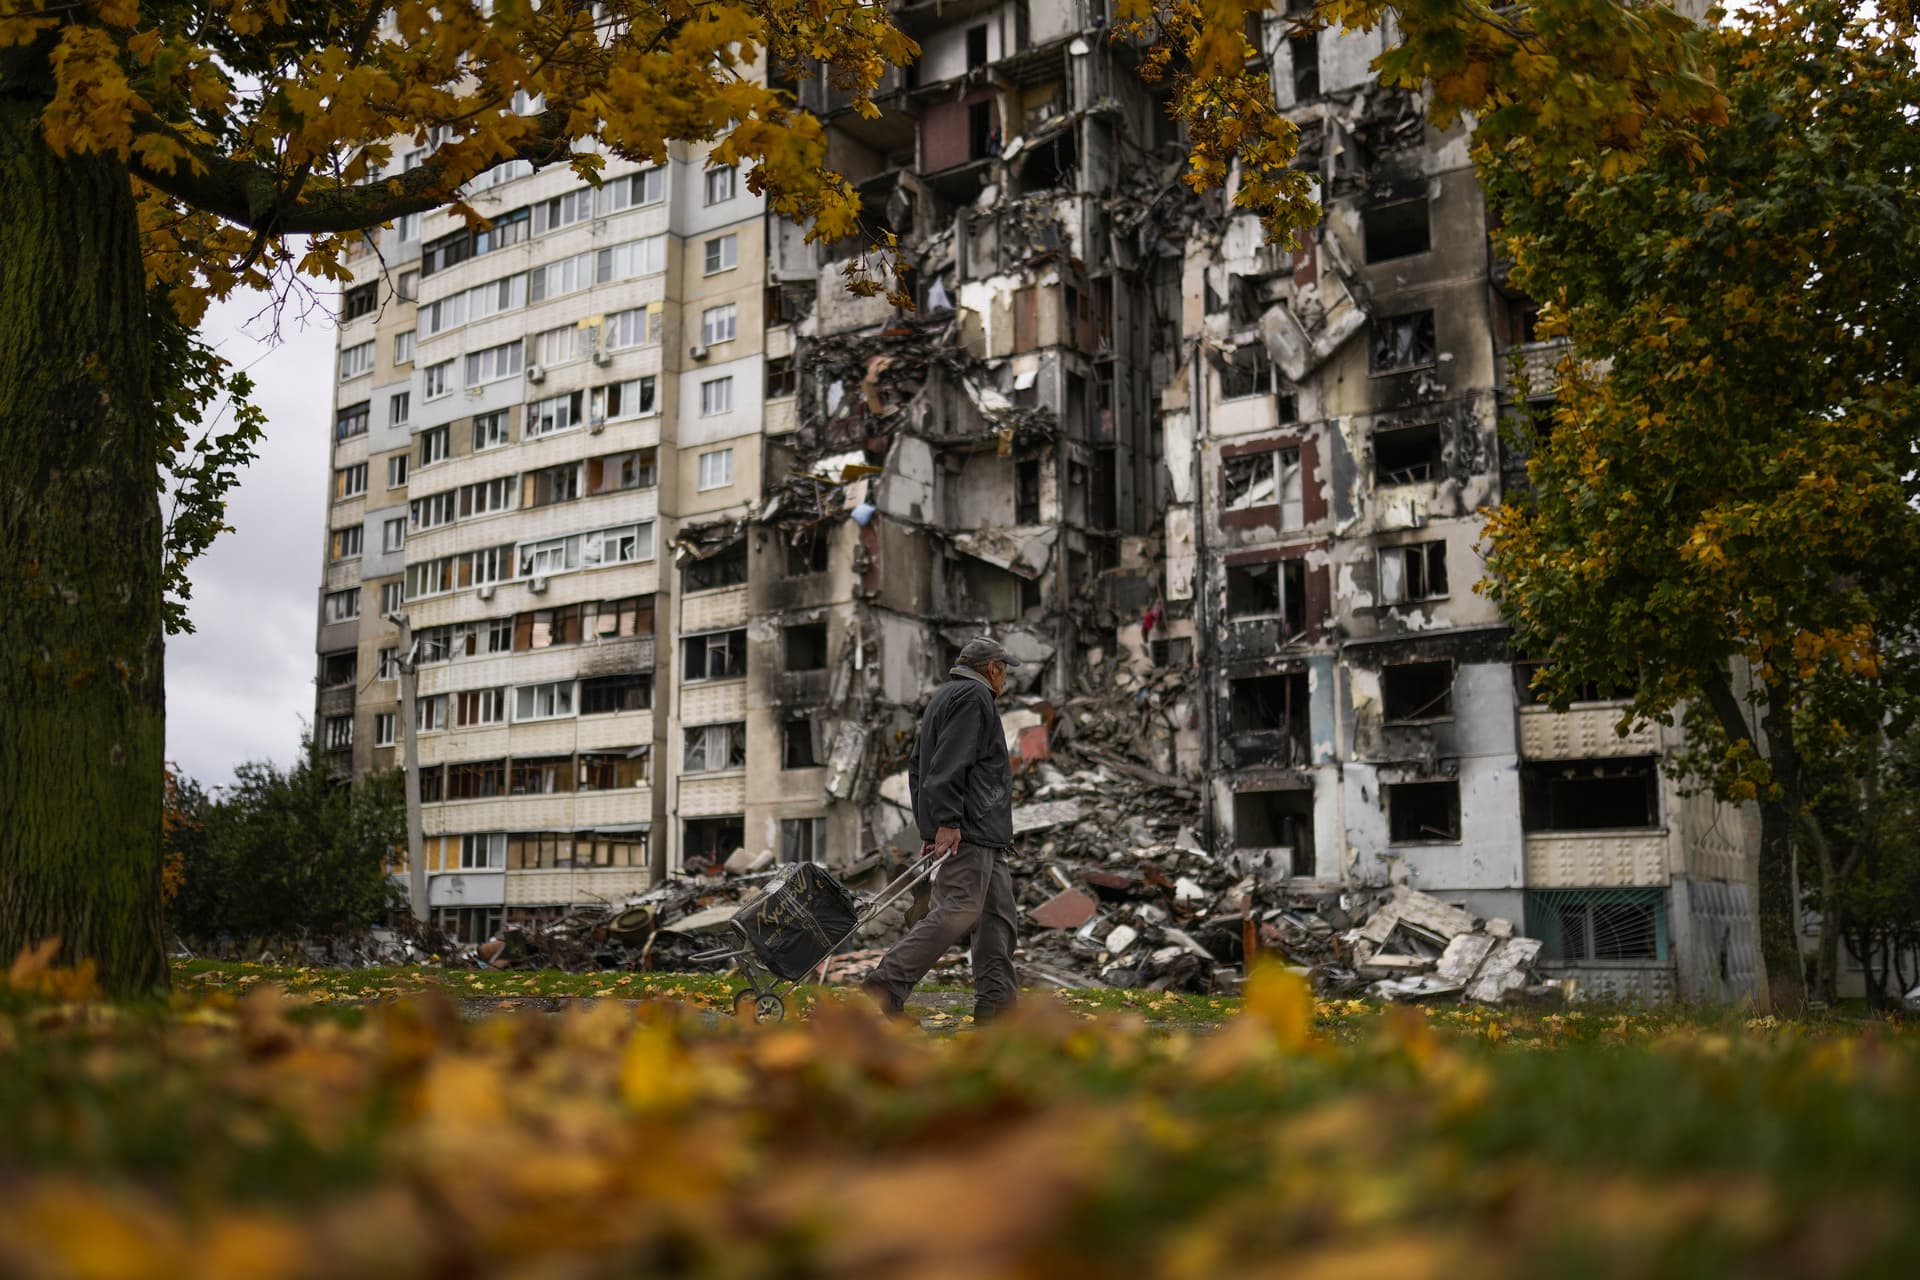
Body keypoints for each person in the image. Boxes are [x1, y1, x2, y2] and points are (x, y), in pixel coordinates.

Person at [862, 637, 1022, 1023]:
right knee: (958, 909)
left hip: (981, 832)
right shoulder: (973, 698)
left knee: (997, 916)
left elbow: (919, 768)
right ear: (992, 668)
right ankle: (885, 984)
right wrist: (946, 823)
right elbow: (948, 767)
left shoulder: (946, 697)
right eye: (1005, 670)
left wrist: (930, 828)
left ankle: (997, 1007)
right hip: (971, 828)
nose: (1006, 679)